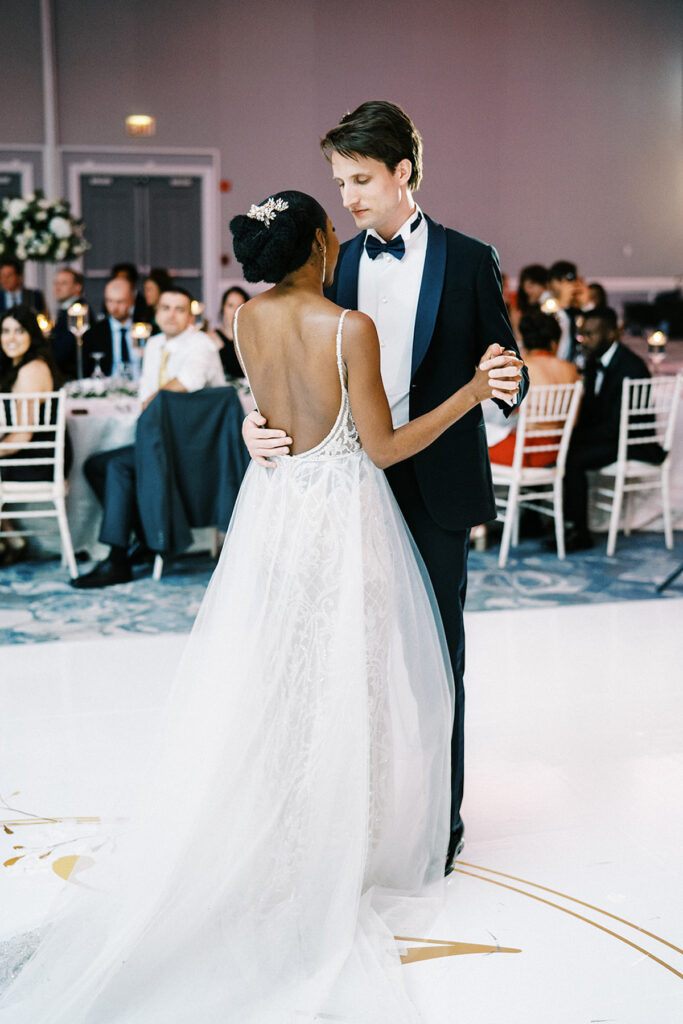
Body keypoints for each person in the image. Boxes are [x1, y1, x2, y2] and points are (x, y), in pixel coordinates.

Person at [0, 190, 519, 1024]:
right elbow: (381, 448)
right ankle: (337, 846)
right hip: (346, 519)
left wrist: (252, 423)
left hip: (278, 516)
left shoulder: (243, 323)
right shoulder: (348, 327)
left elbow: (265, 408)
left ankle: (282, 831)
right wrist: (463, 396)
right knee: (351, 684)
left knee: (282, 678)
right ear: (318, 244)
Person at [242, 101, 528, 873]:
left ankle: (439, 820)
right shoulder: (331, 262)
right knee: (344, 664)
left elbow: (509, 364)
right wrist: (251, 424)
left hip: (435, 489)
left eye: (362, 179)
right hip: (347, 489)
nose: (349, 198)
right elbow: (290, 360)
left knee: (435, 663)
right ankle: (354, 818)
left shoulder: (469, 259)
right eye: (339, 184)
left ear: (403, 172)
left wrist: (502, 383)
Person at [71, 287, 226, 587]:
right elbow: (146, 393)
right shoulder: (154, 344)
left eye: (179, 309)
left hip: (191, 450)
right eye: (165, 307)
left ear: (190, 316)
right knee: (95, 465)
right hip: (159, 442)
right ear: (156, 313)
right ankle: (144, 535)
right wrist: (151, 402)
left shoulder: (201, 345)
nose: (171, 314)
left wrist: (152, 401)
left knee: (118, 467)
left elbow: (186, 383)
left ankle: (117, 560)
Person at [562, 306, 664, 552]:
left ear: (610, 334)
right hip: (612, 436)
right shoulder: (595, 361)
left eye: (591, 334)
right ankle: (559, 523)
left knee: (573, 458)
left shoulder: (630, 367)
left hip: (633, 442)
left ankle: (579, 532)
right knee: (560, 448)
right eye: (582, 334)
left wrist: (576, 436)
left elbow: (619, 426)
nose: (584, 340)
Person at [0, 306, 67, 564]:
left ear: (32, 336)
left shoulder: (31, 370)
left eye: (19, 331)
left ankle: (11, 538)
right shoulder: (17, 366)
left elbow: (22, 436)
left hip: (37, 460)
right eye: (5, 331)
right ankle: (12, 538)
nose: (11, 338)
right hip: (26, 455)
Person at [489, 310, 579, 467]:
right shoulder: (571, 370)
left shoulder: (520, 367)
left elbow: (502, 413)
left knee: (472, 442)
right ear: (554, 342)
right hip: (555, 450)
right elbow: (573, 422)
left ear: (523, 339)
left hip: (524, 453)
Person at [82, 276, 142, 378]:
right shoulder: (94, 333)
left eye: (120, 302)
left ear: (132, 300)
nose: (114, 307)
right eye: (110, 301)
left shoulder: (144, 329)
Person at [50, 266, 85, 380]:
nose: (57, 287)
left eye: (64, 283)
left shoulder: (78, 311)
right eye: (56, 283)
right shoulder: (65, 310)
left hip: (73, 376)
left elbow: (65, 350)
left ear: (77, 287)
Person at [208, 285, 249, 377]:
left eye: (240, 306)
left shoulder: (252, 340)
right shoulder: (211, 337)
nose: (235, 311)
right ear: (223, 308)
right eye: (230, 305)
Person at [142, 267, 174, 332]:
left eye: (149, 289)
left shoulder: (170, 315)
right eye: (145, 289)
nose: (146, 294)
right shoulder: (147, 314)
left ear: (161, 290)